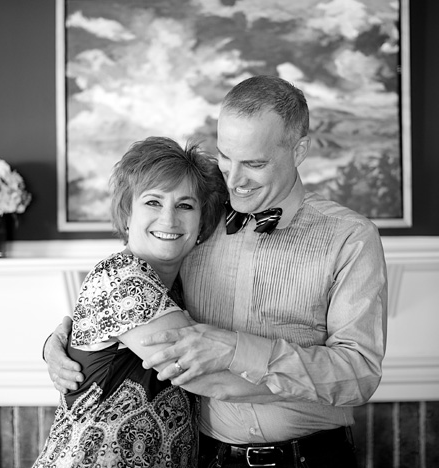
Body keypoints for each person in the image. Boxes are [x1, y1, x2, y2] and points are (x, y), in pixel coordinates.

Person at [45, 76, 388, 468]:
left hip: (313, 458)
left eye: (255, 163)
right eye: (226, 157)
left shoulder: (349, 237)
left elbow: (359, 375)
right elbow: (131, 295)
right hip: (209, 458)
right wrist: (66, 340)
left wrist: (238, 350)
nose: (235, 180)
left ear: (299, 150)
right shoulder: (197, 221)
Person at [33, 137, 274, 468]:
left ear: (201, 224)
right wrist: (319, 385)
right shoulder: (120, 278)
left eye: (185, 206)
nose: (169, 219)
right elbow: (209, 378)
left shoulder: (180, 288)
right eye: (153, 202)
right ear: (127, 214)